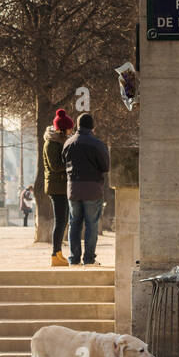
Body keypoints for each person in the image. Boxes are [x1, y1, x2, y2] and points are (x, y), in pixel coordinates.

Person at [62, 112, 110, 266]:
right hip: (92, 189)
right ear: (92, 127)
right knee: (91, 224)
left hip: (73, 188)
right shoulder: (97, 144)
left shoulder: (68, 143)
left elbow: (64, 162)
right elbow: (105, 166)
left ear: (77, 125)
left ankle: (74, 259)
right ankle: (89, 259)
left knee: (74, 223)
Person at [44, 109, 74, 266]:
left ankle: (58, 253)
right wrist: (71, 164)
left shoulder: (59, 142)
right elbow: (55, 166)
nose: (71, 131)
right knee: (60, 220)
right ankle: (55, 254)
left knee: (63, 221)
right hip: (56, 187)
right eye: (69, 129)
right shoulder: (51, 143)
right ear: (62, 129)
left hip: (62, 185)